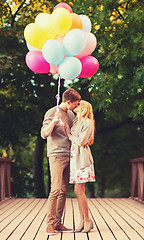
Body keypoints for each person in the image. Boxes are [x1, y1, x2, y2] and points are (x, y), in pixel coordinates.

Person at [41, 88, 81, 235]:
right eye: (75, 103)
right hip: (56, 155)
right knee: (56, 189)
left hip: (69, 155)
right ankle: (49, 225)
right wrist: (54, 122)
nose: (77, 106)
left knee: (64, 191)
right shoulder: (52, 112)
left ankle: (58, 223)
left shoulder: (70, 114)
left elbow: (73, 134)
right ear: (68, 102)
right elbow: (44, 134)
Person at [65, 100, 95, 233]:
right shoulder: (76, 121)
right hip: (74, 158)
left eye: (78, 104)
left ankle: (87, 220)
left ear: (84, 108)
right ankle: (82, 221)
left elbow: (82, 141)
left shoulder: (88, 122)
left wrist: (70, 135)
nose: (76, 105)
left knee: (79, 190)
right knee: (77, 191)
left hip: (82, 158)